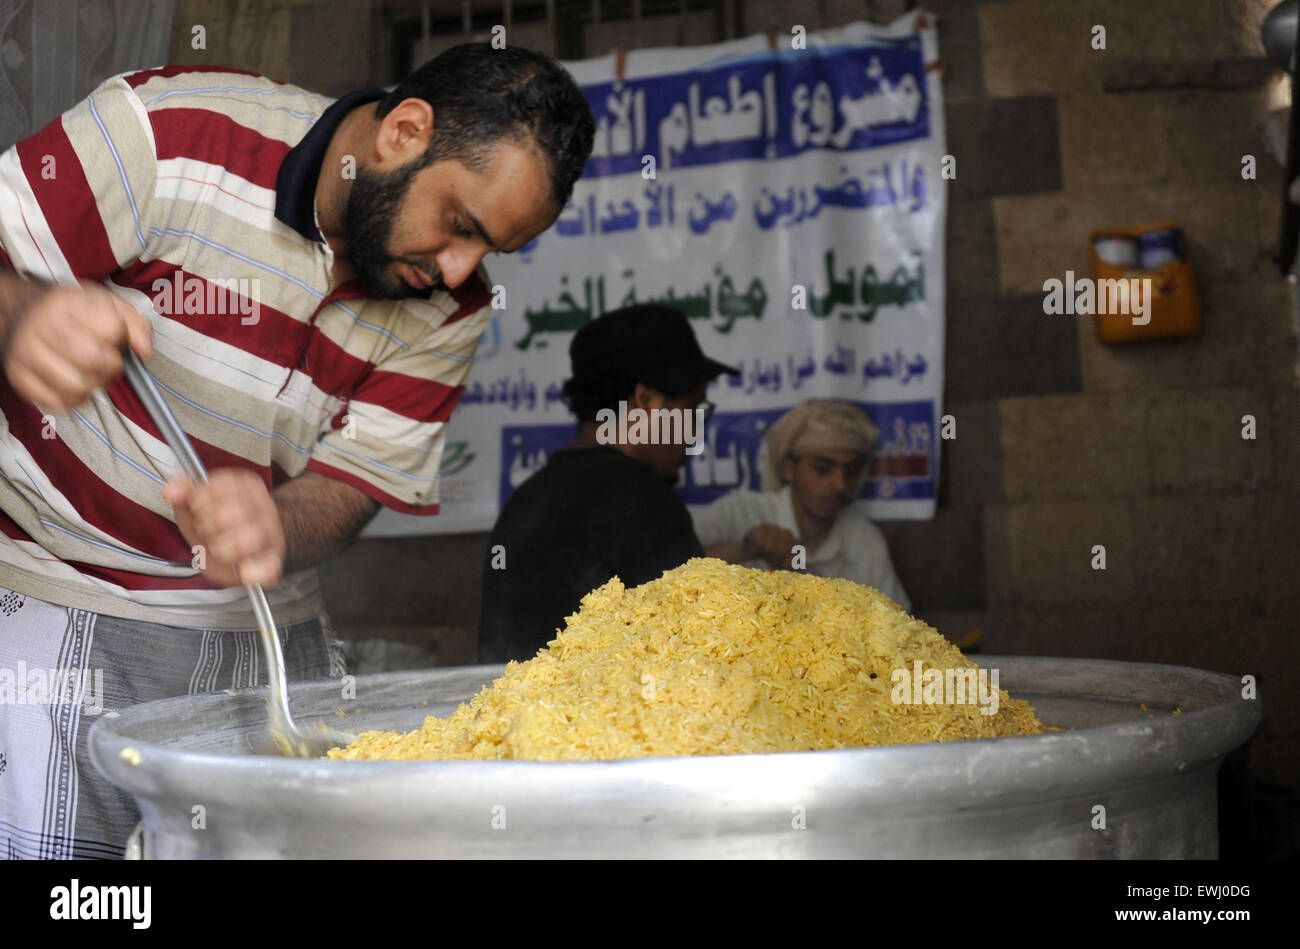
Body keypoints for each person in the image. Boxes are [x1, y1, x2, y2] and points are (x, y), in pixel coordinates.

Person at [0, 44, 594, 857]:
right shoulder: (173, 131)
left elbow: (351, 488)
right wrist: (22, 313)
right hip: (60, 613)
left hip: (275, 646)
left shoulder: (454, 304)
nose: (458, 268)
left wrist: (275, 525)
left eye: (491, 251)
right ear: (404, 132)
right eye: (461, 225)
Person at [478, 304, 738, 663]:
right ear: (648, 400)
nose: (694, 434)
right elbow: (701, 646)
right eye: (692, 410)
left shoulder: (531, 494)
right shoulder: (641, 496)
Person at [690, 399, 910, 610]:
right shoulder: (739, 513)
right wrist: (745, 548)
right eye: (823, 469)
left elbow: (896, 625)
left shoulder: (864, 540)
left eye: (851, 472)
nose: (840, 485)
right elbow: (667, 568)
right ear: (789, 469)